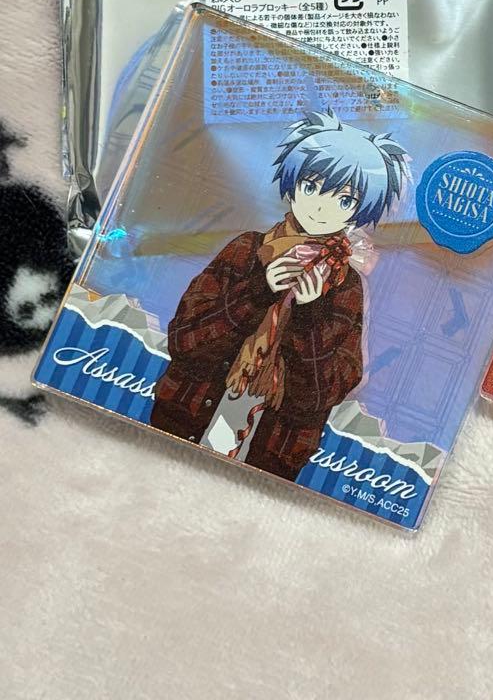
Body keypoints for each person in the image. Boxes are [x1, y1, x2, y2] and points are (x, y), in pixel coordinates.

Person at [150, 111, 408, 481]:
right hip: (181, 421)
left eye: (344, 200)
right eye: (311, 186)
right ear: (292, 184)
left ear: (360, 211)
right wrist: (257, 291)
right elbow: (184, 341)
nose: (320, 206)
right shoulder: (247, 250)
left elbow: (320, 395)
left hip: (273, 454)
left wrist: (309, 316)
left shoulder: (344, 285)